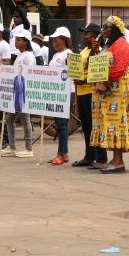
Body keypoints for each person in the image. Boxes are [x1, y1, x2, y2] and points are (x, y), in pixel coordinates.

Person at [91, 16, 129, 173]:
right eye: (103, 27)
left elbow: (118, 69)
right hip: (111, 91)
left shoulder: (121, 44)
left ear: (114, 30)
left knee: (118, 124)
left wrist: (103, 82)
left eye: (106, 27)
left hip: (119, 92)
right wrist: (97, 50)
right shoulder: (110, 44)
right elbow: (106, 62)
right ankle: (115, 159)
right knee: (111, 124)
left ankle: (118, 161)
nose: (103, 30)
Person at [72, 23, 108, 170]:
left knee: (95, 127)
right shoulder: (83, 51)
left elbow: (99, 73)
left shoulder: (98, 51)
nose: (83, 36)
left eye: (86, 34)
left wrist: (83, 80)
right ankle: (89, 156)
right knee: (86, 127)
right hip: (81, 92)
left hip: (91, 93)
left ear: (94, 36)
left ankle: (101, 157)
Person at [0, 29, 35, 158]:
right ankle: (12, 146)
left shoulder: (29, 56)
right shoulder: (20, 55)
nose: (16, 42)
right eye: (15, 40)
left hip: (23, 92)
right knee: (9, 119)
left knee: (25, 119)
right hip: (16, 91)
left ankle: (29, 148)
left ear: (25, 42)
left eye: (19, 40)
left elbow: (29, 72)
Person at [47, 27, 74, 165]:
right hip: (56, 92)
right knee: (59, 123)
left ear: (63, 40)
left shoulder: (68, 54)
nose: (53, 42)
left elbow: (72, 73)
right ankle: (65, 153)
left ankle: (61, 154)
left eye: (56, 40)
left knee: (62, 124)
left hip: (66, 91)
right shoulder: (55, 55)